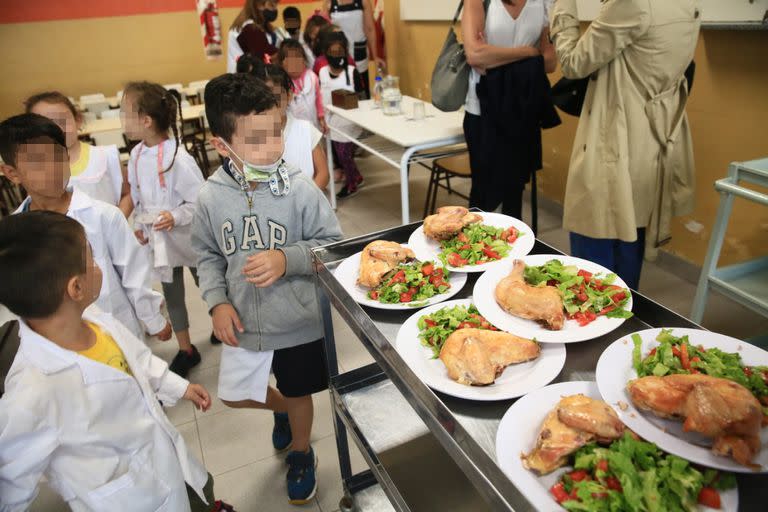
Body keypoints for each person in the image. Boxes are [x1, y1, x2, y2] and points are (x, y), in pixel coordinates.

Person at [0, 211, 235, 512]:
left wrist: (178, 387)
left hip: (166, 457)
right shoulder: (31, 392)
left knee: (197, 487)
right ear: (76, 288)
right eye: (92, 259)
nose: (98, 266)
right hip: (129, 498)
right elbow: (10, 484)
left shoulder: (95, 320)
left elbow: (138, 361)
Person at [193, 73, 342, 504]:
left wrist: (286, 259)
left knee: (299, 393)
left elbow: (331, 245)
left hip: (297, 323)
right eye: (256, 140)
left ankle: (300, 451)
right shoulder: (210, 198)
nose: (273, 147)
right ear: (223, 146)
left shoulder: (299, 189)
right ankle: (282, 411)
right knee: (238, 395)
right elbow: (207, 257)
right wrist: (217, 303)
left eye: (276, 132)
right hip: (243, 323)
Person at [550, 0, 700, 289]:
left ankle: (598, 324)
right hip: (651, 139)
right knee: (630, 234)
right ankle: (624, 315)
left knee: (594, 243)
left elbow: (572, 63)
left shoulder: (632, 3)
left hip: (612, 141)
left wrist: (563, 6)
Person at [0, 113, 172, 345]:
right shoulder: (14, 235)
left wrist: (152, 318)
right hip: (54, 344)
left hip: (117, 332)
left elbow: (134, 273)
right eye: (37, 163)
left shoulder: (103, 216)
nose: (52, 169)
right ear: (12, 173)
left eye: (57, 156)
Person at [121, 81, 212, 378]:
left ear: (146, 121)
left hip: (191, 237)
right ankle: (186, 349)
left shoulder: (178, 159)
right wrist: (140, 227)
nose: (121, 120)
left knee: (209, 285)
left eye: (125, 113)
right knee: (172, 295)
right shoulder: (135, 157)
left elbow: (199, 201)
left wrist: (175, 215)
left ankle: (223, 325)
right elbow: (137, 197)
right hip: (160, 242)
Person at [462, 0, 559, 225]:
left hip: (523, 107)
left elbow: (550, 61)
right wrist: (529, 52)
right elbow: (475, 55)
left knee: (514, 192)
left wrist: (495, 56)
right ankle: (474, 253)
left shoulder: (543, 2)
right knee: (483, 194)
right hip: (482, 108)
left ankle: (514, 252)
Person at [25, 91, 132, 217]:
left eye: (62, 120)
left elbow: (127, 194)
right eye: (44, 124)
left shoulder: (106, 155)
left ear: (78, 120)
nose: (55, 129)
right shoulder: (34, 171)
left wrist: (114, 224)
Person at [319, 32, 364, 199]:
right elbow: (320, 96)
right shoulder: (322, 72)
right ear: (326, 53)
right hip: (330, 121)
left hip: (349, 122)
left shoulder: (352, 72)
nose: (337, 56)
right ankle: (356, 176)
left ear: (346, 52)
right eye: (333, 52)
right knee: (340, 156)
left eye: (340, 52)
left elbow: (360, 97)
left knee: (344, 154)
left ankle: (352, 183)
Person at [322, 0, 385, 98]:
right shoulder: (329, 3)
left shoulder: (363, 2)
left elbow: (370, 29)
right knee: (341, 92)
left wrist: (375, 56)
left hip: (359, 54)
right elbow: (325, 32)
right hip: (338, 55)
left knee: (362, 93)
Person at [280, 38, 327, 133]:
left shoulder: (312, 77)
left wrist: (321, 117)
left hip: (313, 126)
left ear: (304, 60)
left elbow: (318, 99)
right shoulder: (282, 84)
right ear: (282, 64)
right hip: (294, 130)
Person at [226, 0, 281, 73]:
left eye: (276, 5)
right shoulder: (249, 28)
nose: (275, 9)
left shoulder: (261, 26)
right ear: (259, 5)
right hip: (243, 78)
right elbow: (265, 54)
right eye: (271, 5)